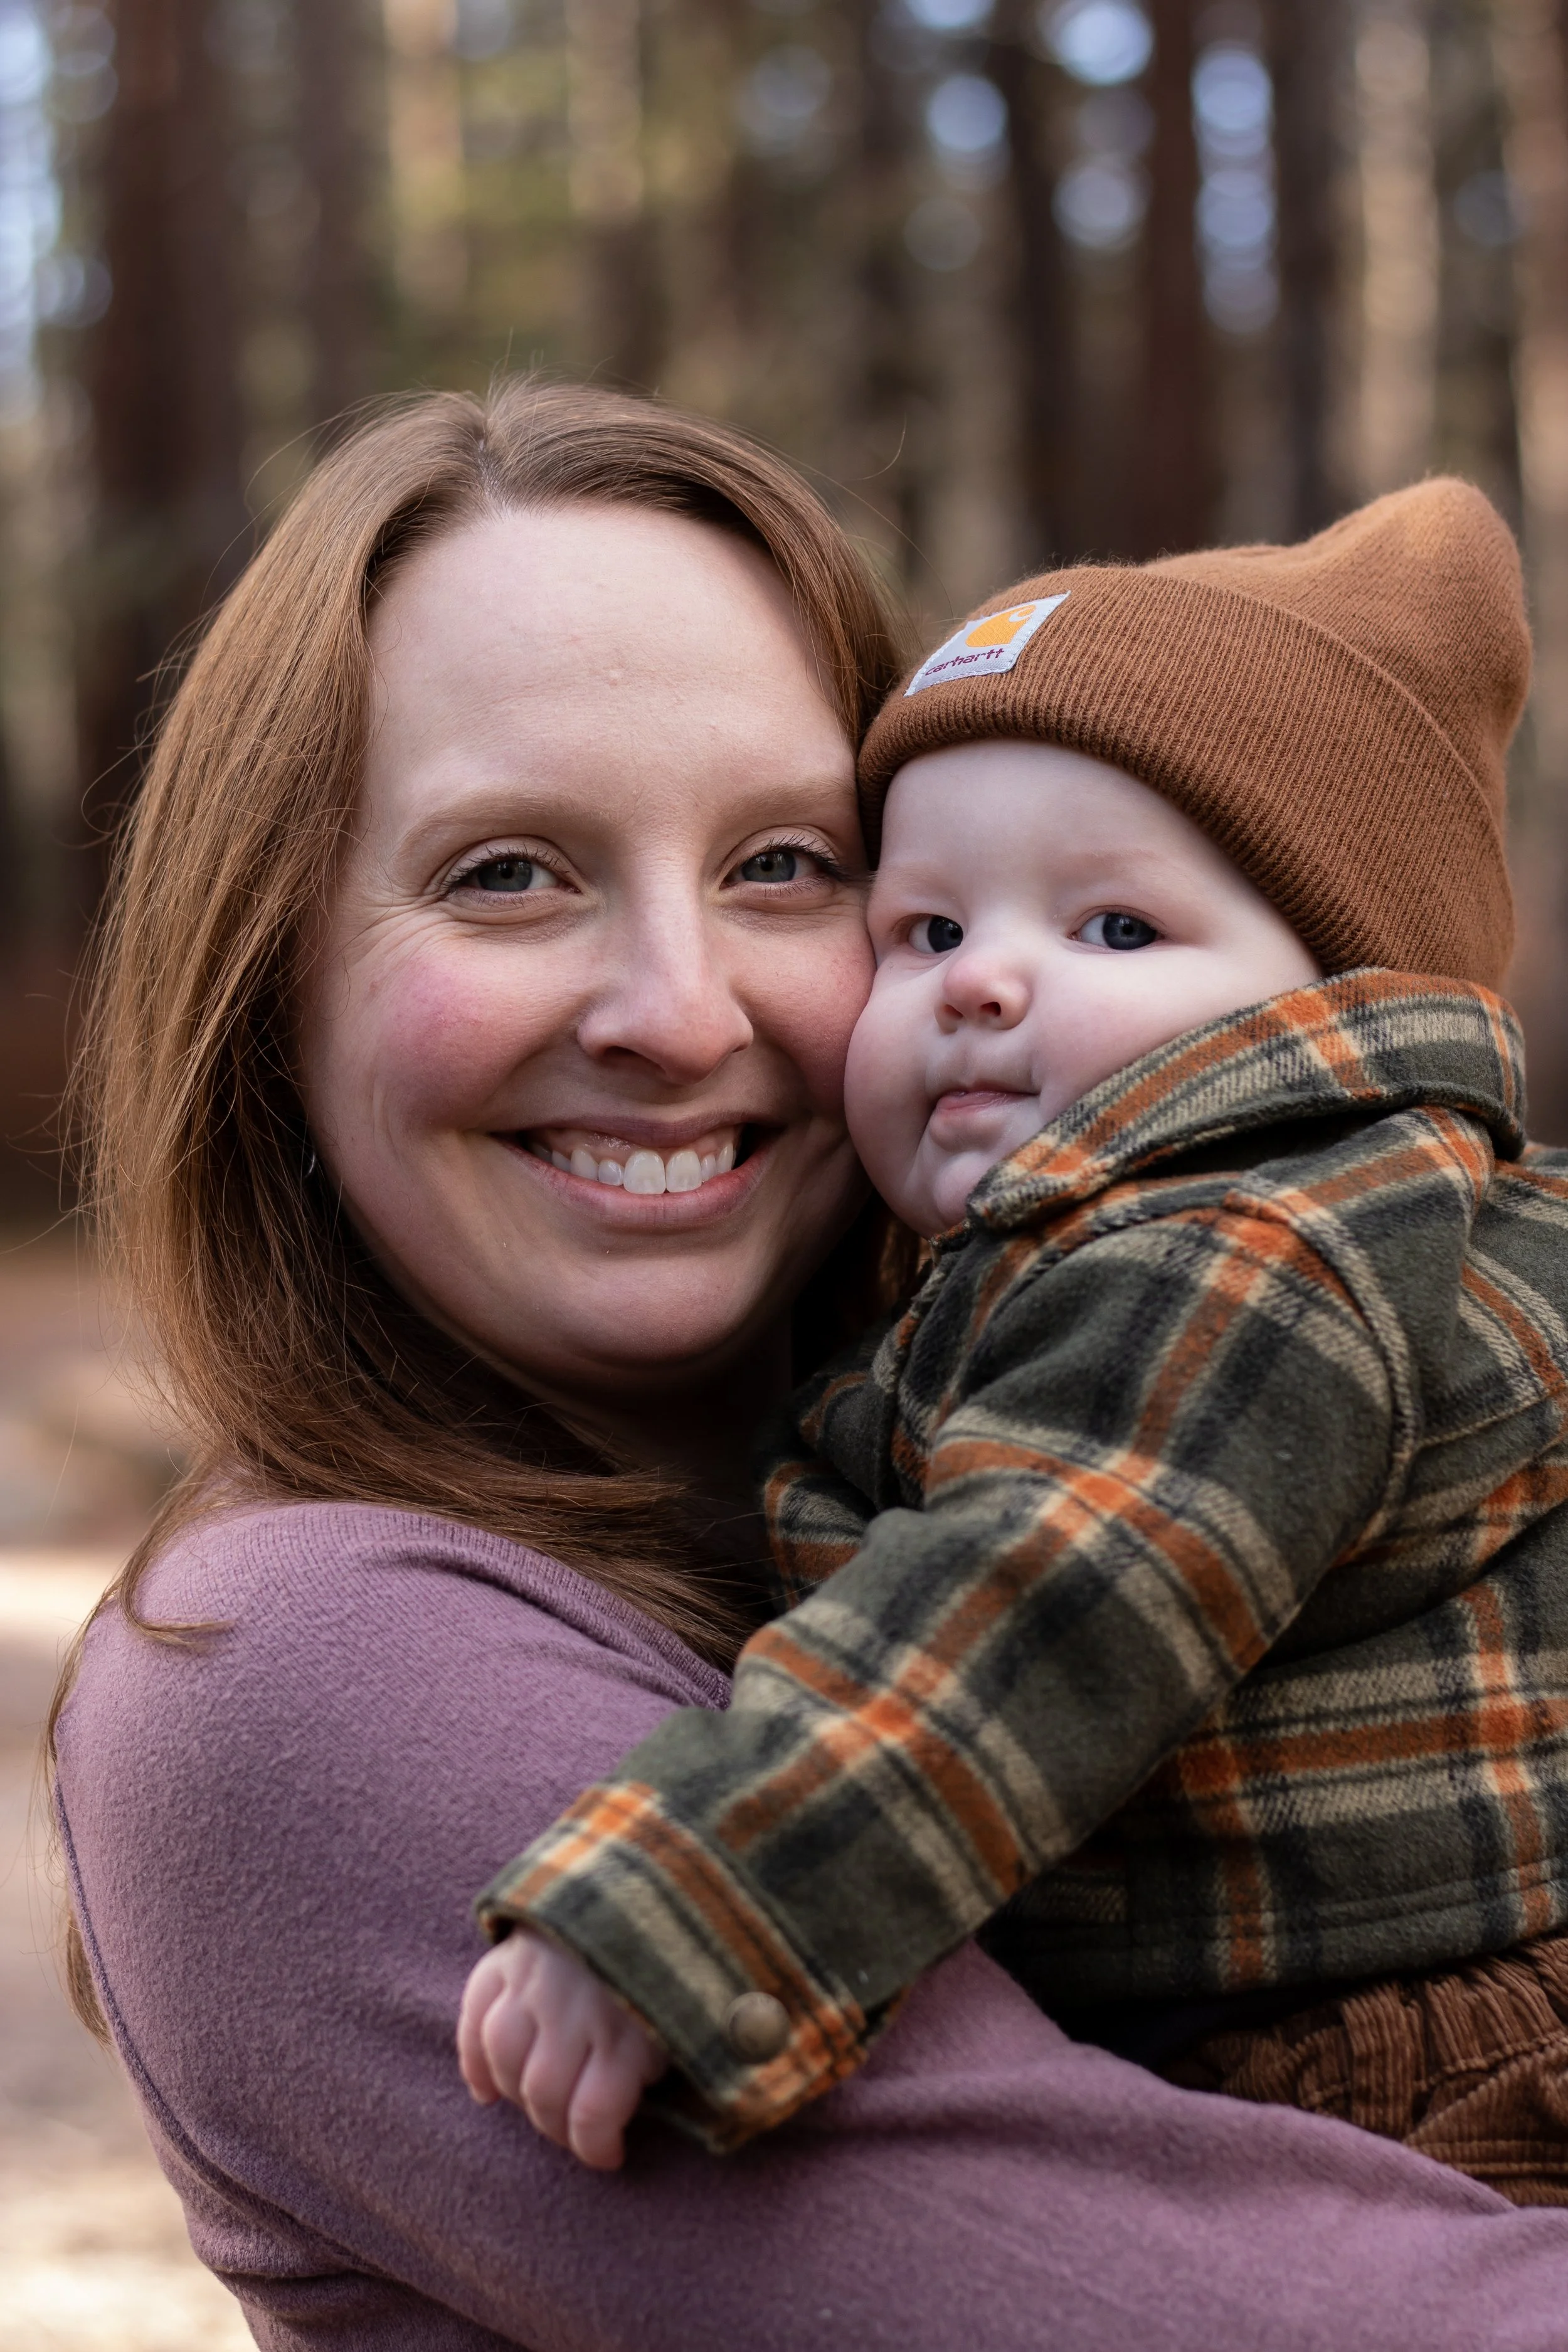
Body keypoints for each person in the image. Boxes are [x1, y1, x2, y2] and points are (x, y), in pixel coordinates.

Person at [48, 383, 1568, 2349]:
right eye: (507, 870)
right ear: (265, 977)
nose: (681, 1013)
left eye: (782, 861)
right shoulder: (295, 1666)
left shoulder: (1099, 1350)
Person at [467, 480, 1568, 2206]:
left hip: (1401, 2065)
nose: (981, 982)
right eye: (926, 927)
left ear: (1331, 1001)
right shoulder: (1089, 1244)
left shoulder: (1251, 1237)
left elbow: (1051, 1581)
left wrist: (703, 1897)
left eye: (1112, 926)